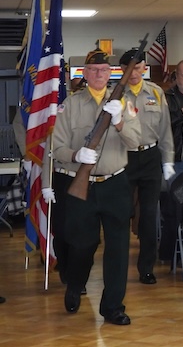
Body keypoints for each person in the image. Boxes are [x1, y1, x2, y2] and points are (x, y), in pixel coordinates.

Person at [51, 49, 141, 325]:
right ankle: (75, 282)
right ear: (86, 74)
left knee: (118, 248)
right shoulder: (71, 105)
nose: (99, 74)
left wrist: (119, 121)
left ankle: (113, 307)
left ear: (111, 73)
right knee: (82, 244)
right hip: (83, 186)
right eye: (94, 70)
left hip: (114, 182)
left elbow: (136, 141)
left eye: (104, 70)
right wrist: (76, 155)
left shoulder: (124, 103)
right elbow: (57, 147)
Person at [118, 48, 175, 285]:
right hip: (123, 158)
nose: (134, 73)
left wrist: (168, 160)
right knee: (120, 214)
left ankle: (146, 268)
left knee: (149, 215)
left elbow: (165, 130)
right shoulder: (115, 95)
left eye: (138, 67)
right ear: (122, 70)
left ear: (144, 68)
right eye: (129, 68)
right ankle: (118, 264)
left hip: (150, 157)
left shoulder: (156, 92)